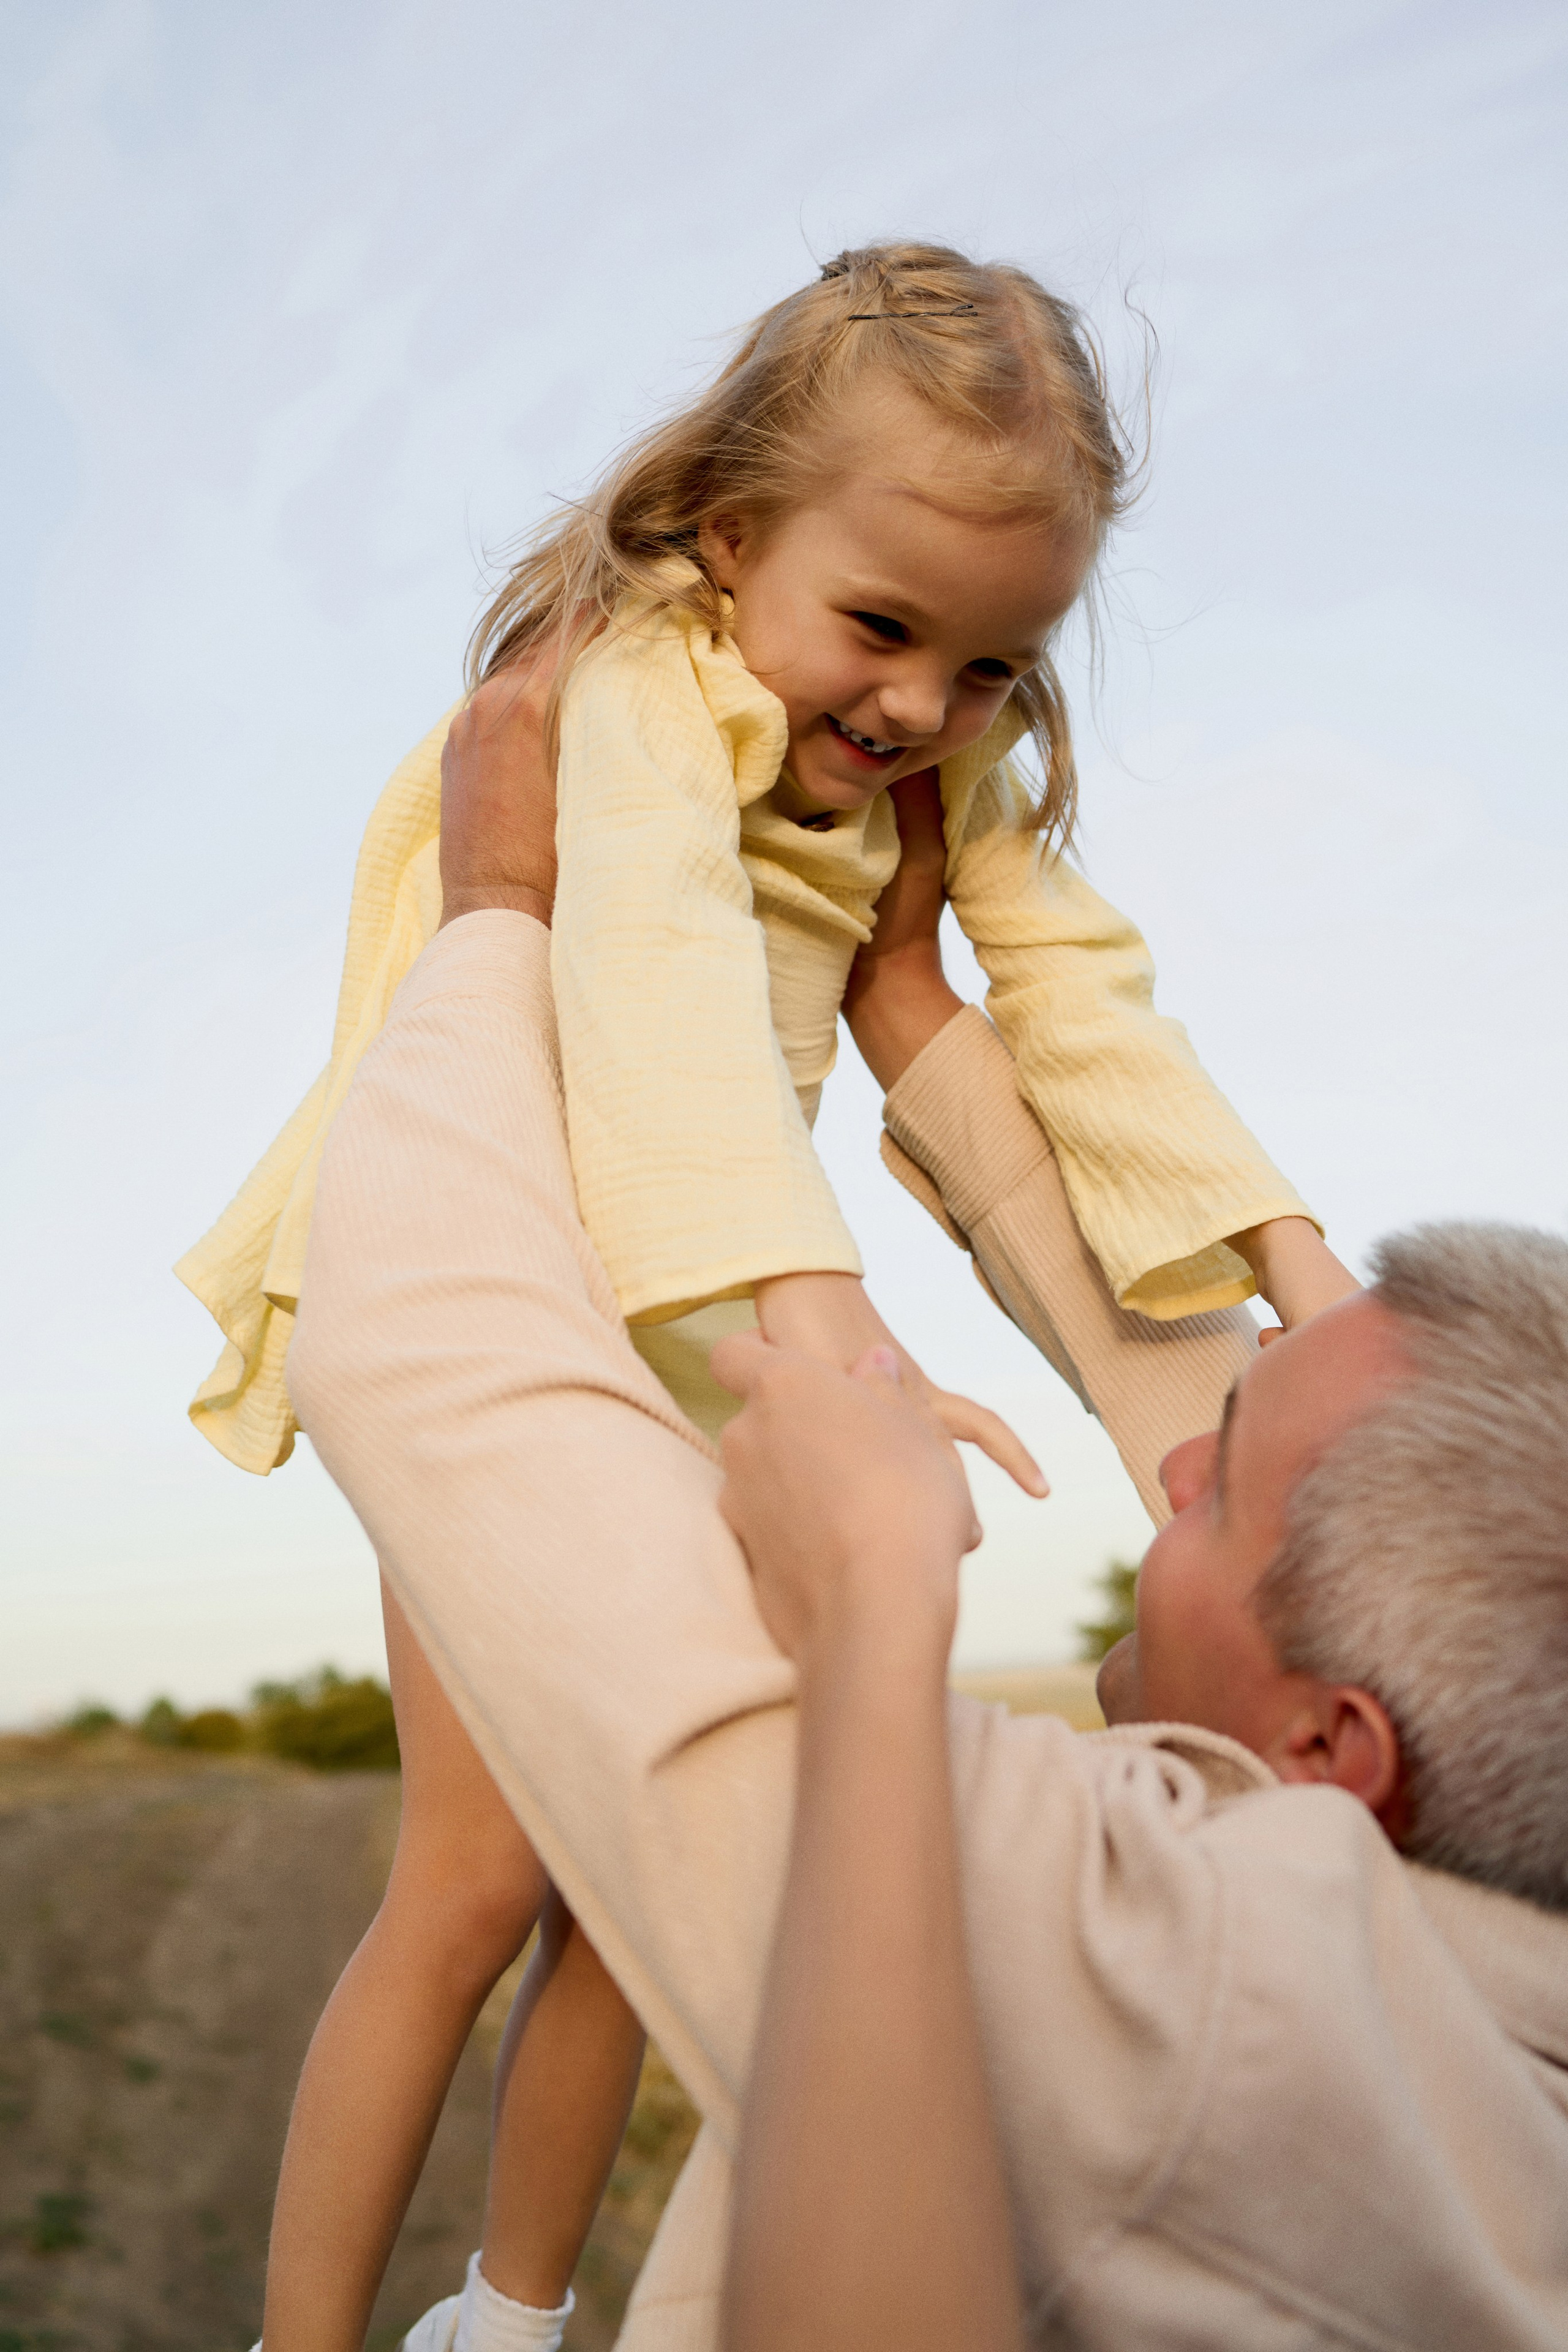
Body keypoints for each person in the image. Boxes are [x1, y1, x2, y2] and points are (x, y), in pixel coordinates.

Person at [187, 241, 1356, 2346]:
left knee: (636, 1900)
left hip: (714, 1317)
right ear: (730, 537)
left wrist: (1305, 1281)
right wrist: (826, 1324)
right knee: (471, 1882)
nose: (925, 708)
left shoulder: (927, 772)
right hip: (517, 1306)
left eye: (996, 667)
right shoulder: (627, 687)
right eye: (886, 628)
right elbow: (637, 983)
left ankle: (510, 2319)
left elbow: (1071, 997)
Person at [281, 706, 1568, 2350]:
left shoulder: (1142, 1964)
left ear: (1331, 1751)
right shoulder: (1487, 1973)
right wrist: (914, 1010)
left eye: (1217, 1488)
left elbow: (426, 1341)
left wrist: (497, 912)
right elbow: (1270, 1453)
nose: (1168, 1473)